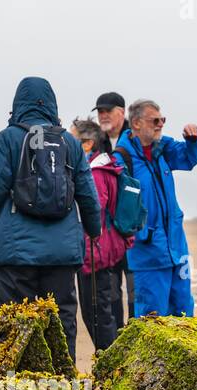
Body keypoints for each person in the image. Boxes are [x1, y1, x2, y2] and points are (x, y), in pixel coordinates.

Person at [0, 77, 101, 363]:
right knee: (61, 324)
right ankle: (61, 388)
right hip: (62, 255)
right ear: (52, 105)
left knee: (15, 327)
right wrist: (94, 230)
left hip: (15, 255)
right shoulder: (70, 144)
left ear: (17, 105)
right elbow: (88, 195)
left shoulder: (8, 139)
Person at [116, 99, 197, 318]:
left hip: (177, 247)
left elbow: (188, 158)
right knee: (152, 318)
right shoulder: (121, 159)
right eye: (154, 120)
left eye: (162, 120)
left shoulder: (163, 148)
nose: (160, 125)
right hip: (148, 252)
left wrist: (193, 139)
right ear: (136, 123)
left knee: (184, 313)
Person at [70, 118, 132, 352]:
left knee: (97, 314)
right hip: (103, 250)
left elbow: (94, 211)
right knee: (103, 312)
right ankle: (113, 360)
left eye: (72, 138)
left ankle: (112, 364)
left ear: (87, 144)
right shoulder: (100, 167)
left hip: (96, 253)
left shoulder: (94, 172)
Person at [93, 90, 135, 324]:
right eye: (100, 111)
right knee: (111, 294)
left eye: (108, 110)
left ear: (122, 112)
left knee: (134, 291)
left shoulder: (134, 139)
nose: (103, 115)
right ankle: (118, 338)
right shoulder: (95, 143)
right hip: (107, 233)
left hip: (130, 229)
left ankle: (135, 335)